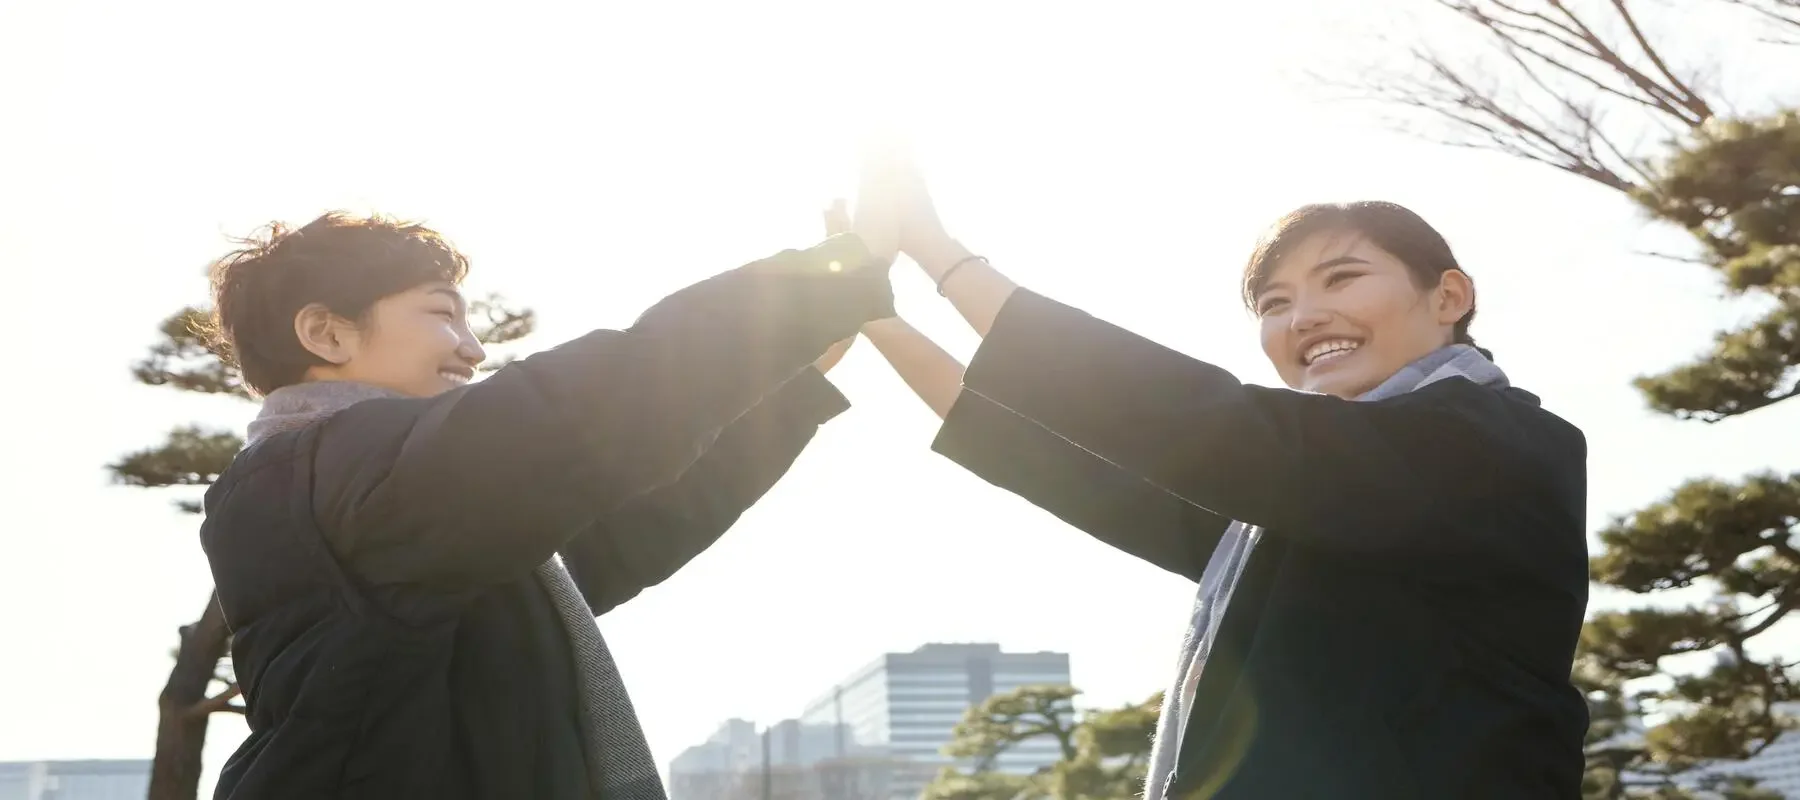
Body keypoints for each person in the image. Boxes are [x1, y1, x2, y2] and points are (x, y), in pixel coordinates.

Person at [843, 153, 1590, 798]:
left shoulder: (1496, 446)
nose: (1304, 317)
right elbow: (1067, 461)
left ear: (1449, 298)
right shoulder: (1304, 501)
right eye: (1276, 303)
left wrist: (940, 255)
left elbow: (1207, 425)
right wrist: (871, 312)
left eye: (1342, 279)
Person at [196, 211, 890, 800]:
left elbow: (614, 538)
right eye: (441, 313)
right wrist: (816, 288)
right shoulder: (332, 472)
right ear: (327, 334)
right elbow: (580, 411)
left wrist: (788, 380)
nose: (472, 348)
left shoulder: (370, 489)